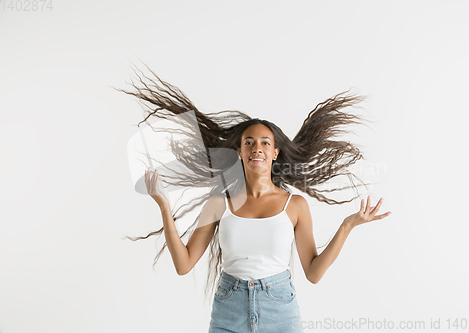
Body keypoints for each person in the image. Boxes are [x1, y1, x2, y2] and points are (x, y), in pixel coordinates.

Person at [119, 64, 392, 332]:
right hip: (229, 311)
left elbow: (313, 273)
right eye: (249, 142)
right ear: (239, 151)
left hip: (280, 310)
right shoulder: (219, 204)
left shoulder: (294, 206)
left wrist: (347, 225)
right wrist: (164, 207)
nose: (256, 148)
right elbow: (183, 264)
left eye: (265, 143)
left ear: (275, 153)